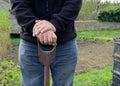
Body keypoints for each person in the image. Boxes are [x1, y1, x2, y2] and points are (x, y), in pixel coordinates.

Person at [10, 0, 82, 86]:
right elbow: (19, 4)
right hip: (31, 43)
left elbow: (73, 3)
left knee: (64, 83)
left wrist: (56, 24)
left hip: (64, 42)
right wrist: (35, 27)